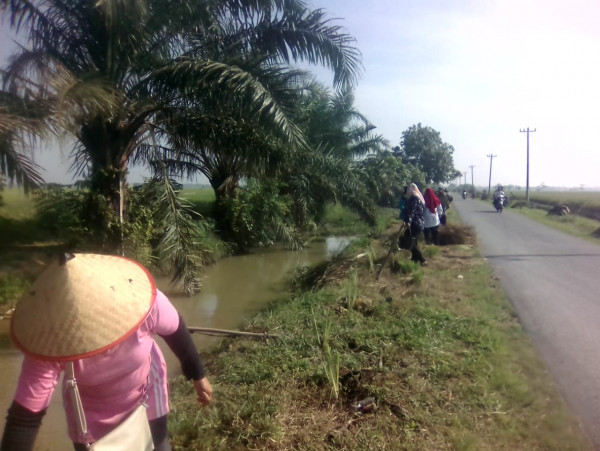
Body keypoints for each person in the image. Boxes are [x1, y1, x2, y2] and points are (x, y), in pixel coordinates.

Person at [0, 253, 213, 451]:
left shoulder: (144, 303)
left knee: (157, 444)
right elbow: (25, 417)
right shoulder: (50, 340)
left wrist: (198, 375)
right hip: (89, 413)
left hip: (146, 390)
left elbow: (176, 331)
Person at [403, 183, 427, 265]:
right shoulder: (420, 198)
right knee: (414, 242)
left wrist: (408, 221)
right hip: (420, 223)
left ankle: (422, 259)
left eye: (408, 189)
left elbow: (411, 211)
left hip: (415, 223)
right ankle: (414, 259)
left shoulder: (413, 198)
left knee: (409, 242)